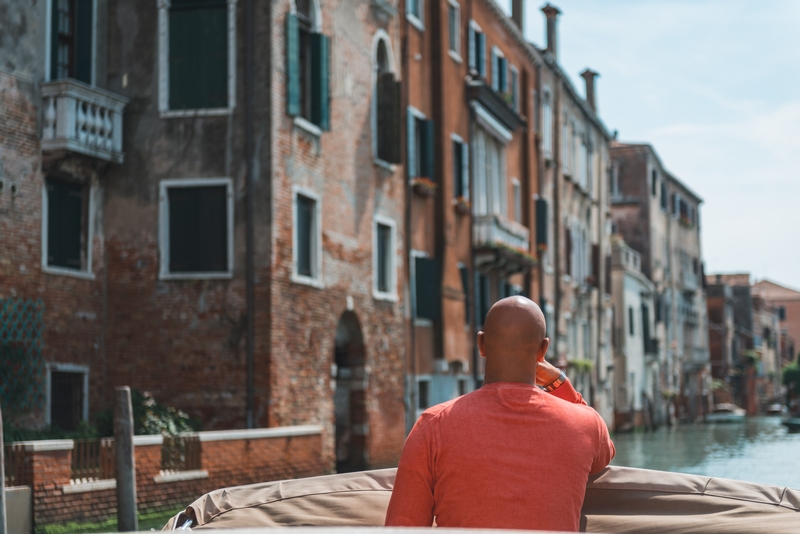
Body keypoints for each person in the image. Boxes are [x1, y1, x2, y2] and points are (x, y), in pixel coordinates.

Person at [385, 296, 615, 531]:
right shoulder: (586, 425)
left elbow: (402, 527)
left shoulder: (432, 425)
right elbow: (604, 452)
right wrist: (560, 383)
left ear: (481, 344)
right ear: (543, 350)